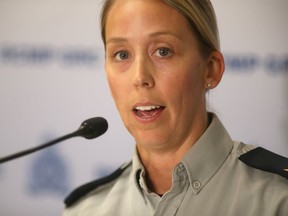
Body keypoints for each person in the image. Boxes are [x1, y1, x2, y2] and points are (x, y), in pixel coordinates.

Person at [63, 0, 288, 215]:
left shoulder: (279, 199)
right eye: (122, 54)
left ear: (210, 70)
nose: (140, 77)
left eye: (163, 51)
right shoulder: (84, 210)